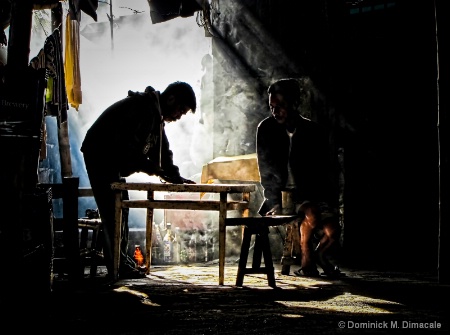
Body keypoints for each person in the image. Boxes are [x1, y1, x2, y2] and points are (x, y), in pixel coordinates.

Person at [81, 81, 196, 279]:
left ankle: (120, 261)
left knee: (121, 207)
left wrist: (175, 177)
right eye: (180, 110)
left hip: (112, 159)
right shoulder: (142, 108)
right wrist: (156, 170)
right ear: (171, 99)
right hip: (100, 153)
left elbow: (163, 152)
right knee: (112, 210)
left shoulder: (155, 115)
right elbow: (129, 150)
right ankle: (117, 266)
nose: (178, 117)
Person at [256, 78, 342, 278]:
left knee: (333, 229)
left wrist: (329, 201)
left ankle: (320, 255)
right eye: (272, 107)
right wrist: (273, 201)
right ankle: (306, 254)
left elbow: (324, 170)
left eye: (281, 106)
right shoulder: (266, 129)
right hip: (282, 197)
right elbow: (265, 170)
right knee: (311, 212)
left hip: (309, 193)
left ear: (294, 104)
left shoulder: (313, 131)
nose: (275, 111)